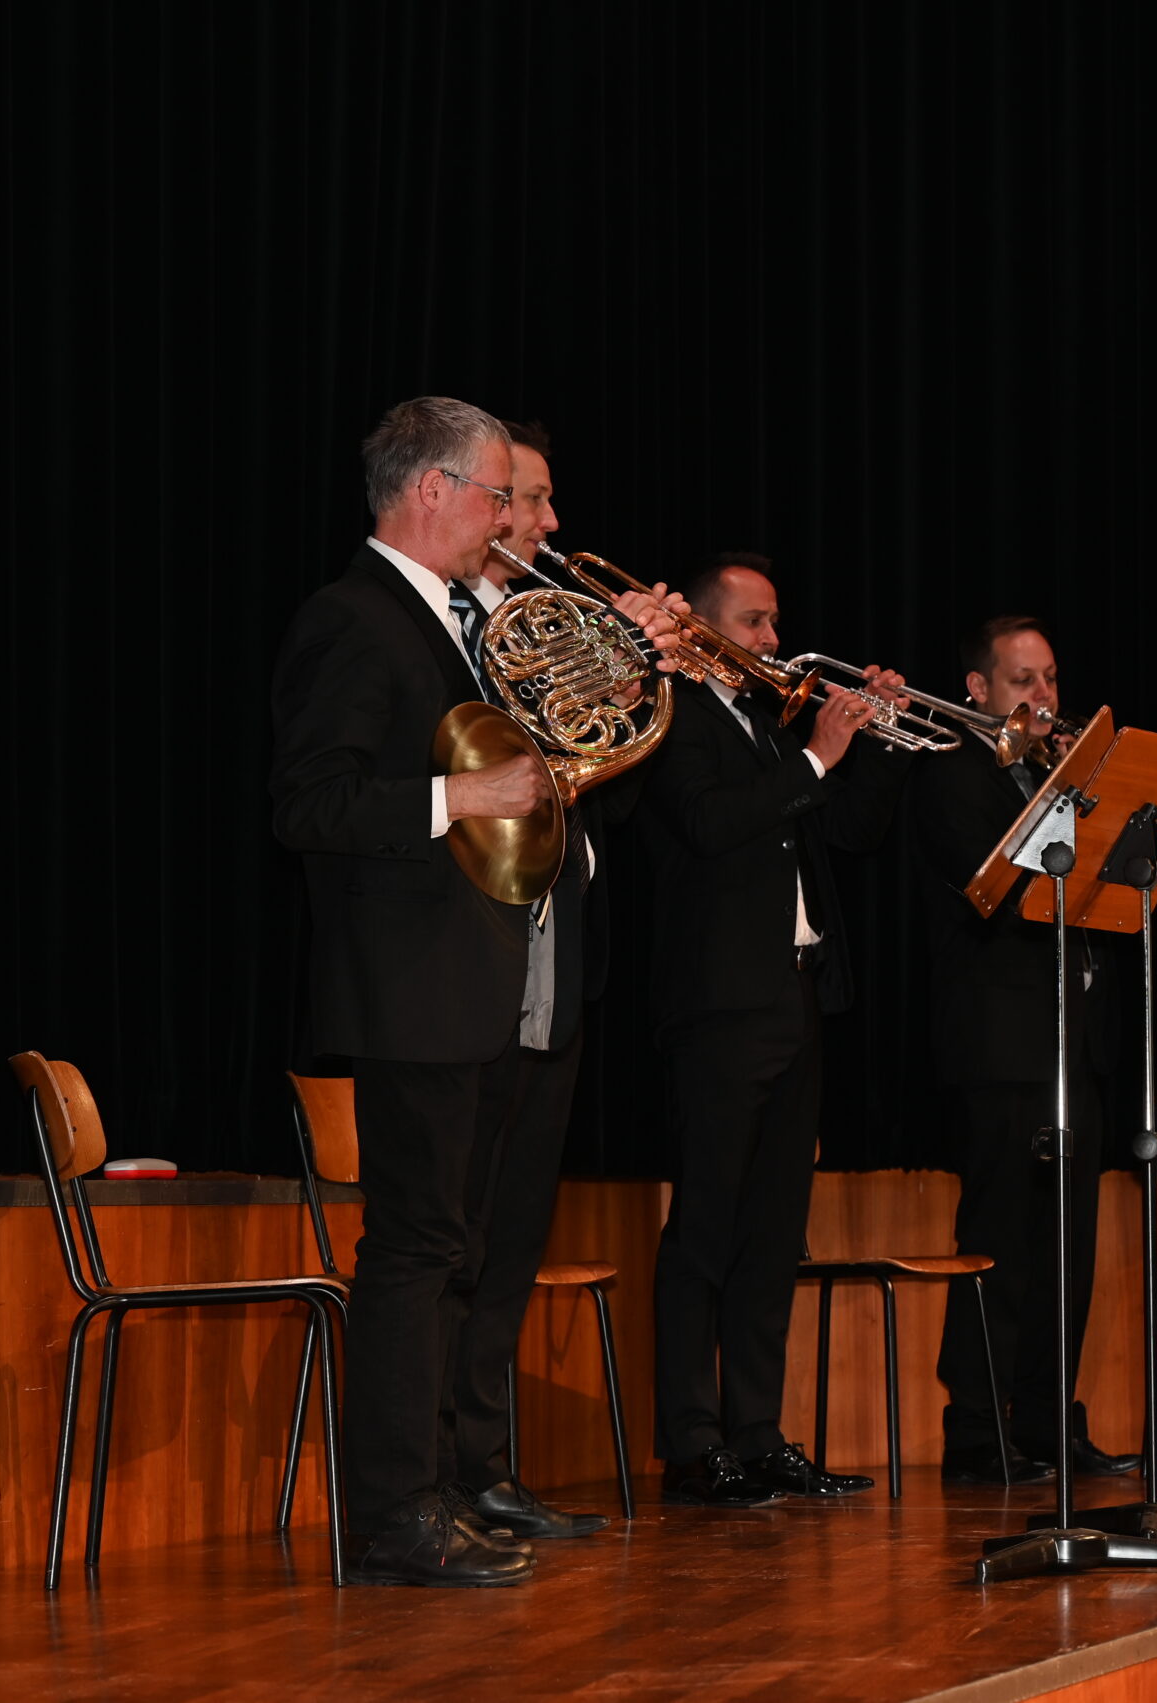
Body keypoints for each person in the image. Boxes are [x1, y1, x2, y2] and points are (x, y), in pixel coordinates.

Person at [269, 397, 676, 1586]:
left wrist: (629, 656)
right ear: (432, 488)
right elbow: (308, 803)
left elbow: (561, 751)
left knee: (458, 1251)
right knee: (413, 1252)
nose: (514, 517)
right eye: (499, 494)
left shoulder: (454, 620)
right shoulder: (353, 617)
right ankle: (393, 1513)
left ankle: (445, 1488)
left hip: (483, 985)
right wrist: (458, 801)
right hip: (414, 991)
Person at [638, 554, 913, 1506]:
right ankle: (691, 1440)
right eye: (754, 624)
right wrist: (813, 756)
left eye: (773, 622)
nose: (772, 641)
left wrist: (863, 738)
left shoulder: (762, 722)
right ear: (708, 628)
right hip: (718, 1005)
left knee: (771, 1234)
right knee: (706, 1227)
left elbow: (858, 830)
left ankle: (756, 1433)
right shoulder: (668, 712)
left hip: (794, 998)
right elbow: (710, 825)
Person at [437, 419, 665, 1539]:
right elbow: (492, 754)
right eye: (530, 500)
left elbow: (591, 787)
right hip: (468, 972)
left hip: (554, 970)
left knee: (513, 1234)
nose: (548, 523)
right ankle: (430, 1476)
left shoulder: (528, 626)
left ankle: (479, 1464)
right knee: (454, 1239)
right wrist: (610, 648)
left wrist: (630, 675)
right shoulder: (453, 633)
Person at [909, 615, 1144, 1484]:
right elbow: (1000, 891)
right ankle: (976, 1427)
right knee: (1002, 1241)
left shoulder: (1060, 777)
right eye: (1022, 683)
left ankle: (1050, 1421)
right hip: (1002, 1046)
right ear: (978, 690)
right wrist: (1064, 790)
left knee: (1068, 1251)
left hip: (1075, 1044)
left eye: (1049, 679)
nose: (1043, 700)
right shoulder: (953, 776)